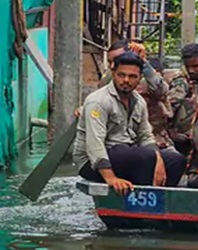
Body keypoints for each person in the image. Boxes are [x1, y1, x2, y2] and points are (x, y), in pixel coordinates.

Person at [73, 53, 186, 195]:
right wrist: (111, 178)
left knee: (176, 160)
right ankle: (139, 203)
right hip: (92, 162)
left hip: (125, 154)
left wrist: (159, 160)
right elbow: (95, 144)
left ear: (140, 78)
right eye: (121, 75)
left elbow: (145, 136)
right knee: (142, 157)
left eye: (132, 77)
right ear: (113, 74)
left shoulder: (139, 102)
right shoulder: (98, 101)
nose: (126, 80)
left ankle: (161, 200)